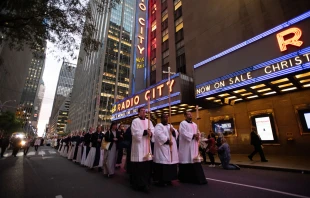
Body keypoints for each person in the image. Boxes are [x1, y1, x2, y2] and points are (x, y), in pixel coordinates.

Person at [178, 111, 207, 184]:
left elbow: (199, 133)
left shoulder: (195, 124)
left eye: (191, 114)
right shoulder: (182, 123)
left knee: (195, 161)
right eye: (188, 114)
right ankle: (185, 179)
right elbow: (183, 133)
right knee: (187, 160)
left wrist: (198, 136)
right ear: (185, 116)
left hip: (194, 146)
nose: (190, 115)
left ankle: (198, 179)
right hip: (186, 147)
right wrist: (193, 135)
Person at [130, 106, 155, 192]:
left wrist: (151, 133)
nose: (144, 112)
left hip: (147, 147)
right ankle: (137, 184)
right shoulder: (135, 121)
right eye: (142, 111)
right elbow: (134, 132)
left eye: (145, 111)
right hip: (139, 147)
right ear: (138, 112)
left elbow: (153, 131)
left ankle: (146, 184)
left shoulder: (149, 121)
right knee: (139, 167)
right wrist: (145, 132)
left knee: (146, 167)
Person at [153, 114, 179, 186]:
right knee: (163, 164)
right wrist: (167, 141)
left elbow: (176, 133)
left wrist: (173, 131)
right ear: (161, 118)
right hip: (162, 149)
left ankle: (169, 180)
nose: (166, 119)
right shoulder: (158, 126)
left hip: (171, 148)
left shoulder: (170, 126)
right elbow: (159, 135)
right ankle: (161, 180)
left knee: (170, 164)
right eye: (164, 117)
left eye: (167, 117)